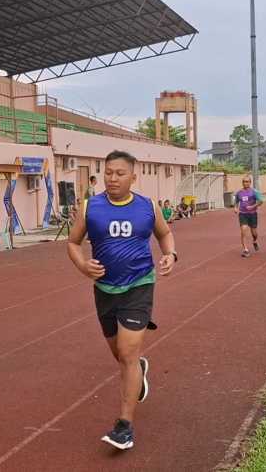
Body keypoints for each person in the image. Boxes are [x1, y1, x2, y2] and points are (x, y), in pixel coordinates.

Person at [66, 150, 177, 451]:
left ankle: (124, 426)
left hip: (139, 285)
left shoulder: (147, 207)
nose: (113, 179)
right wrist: (82, 265)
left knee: (127, 352)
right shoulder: (90, 206)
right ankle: (138, 368)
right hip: (104, 289)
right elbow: (73, 243)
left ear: (133, 177)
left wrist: (170, 254)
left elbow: (165, 235)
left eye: (120, 173)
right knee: (121, 355)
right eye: (108, 173)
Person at [234, 176, 263, 257]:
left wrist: (253, 206)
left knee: (254, 233)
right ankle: (245, 250)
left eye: (247, 181)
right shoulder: (239, 193)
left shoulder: (254, 192)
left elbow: (261, 201)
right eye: (244, 181)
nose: (245, 183)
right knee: (243, 230)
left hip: (252, 214)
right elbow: (236, 202)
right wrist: (236, 208)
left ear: (250, 182)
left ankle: (255, 241)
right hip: (243, 214)